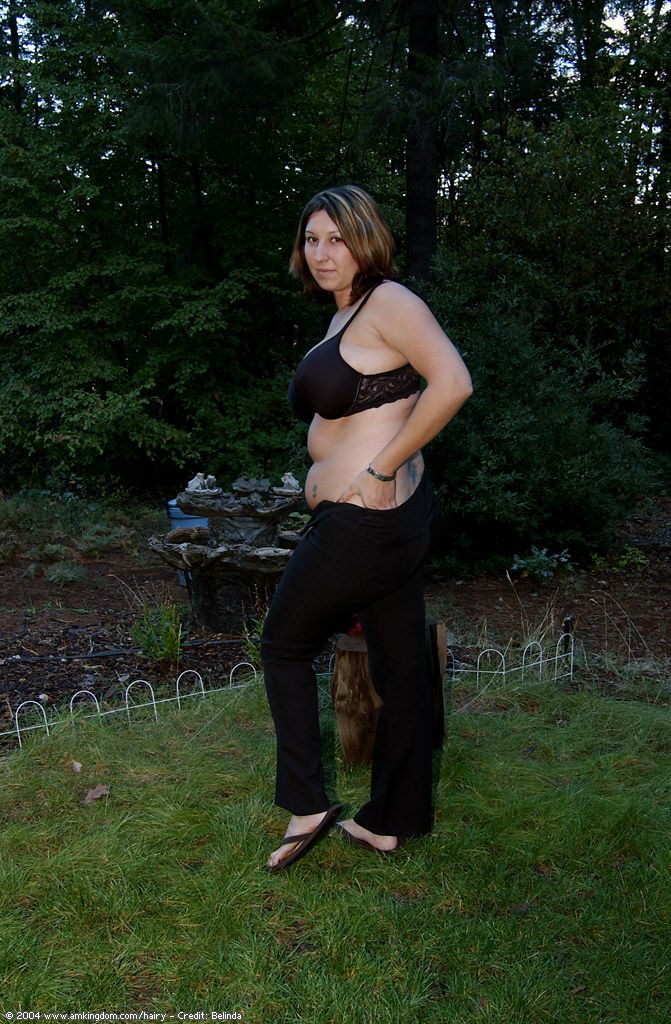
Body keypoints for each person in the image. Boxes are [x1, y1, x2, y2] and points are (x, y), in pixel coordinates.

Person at [261, 184, 472, 872]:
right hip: (385, 524)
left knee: (283, 645)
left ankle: (305, 803)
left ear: (366, 240)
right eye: (312, 239)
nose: (322, 253)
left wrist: (382, 468)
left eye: (337, 239)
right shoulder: (346, 313)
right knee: (401, 666)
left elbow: (452, 383)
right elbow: (385, 404)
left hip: (364, 524)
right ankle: (391, 819)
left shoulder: (390, 302)